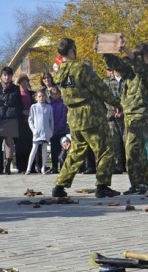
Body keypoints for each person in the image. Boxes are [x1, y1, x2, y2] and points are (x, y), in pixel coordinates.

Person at [52, 38, 121, 199]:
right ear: (70, 51)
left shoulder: (60, 72)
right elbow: (100, 87)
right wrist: (115, 103)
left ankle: (59, 185)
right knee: (104, 148)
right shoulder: (80, 68)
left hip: (74, 117)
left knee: (76, 151)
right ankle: (102, 186)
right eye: (74, 48)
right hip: (90, 114)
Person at [103, 42, 148, 195]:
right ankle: (146, 181)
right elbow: (118, 64)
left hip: (140, 115)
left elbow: (139, 65)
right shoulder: (131, 73)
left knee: (132, 151)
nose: (135, 60)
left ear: (146, 56)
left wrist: (125, 48)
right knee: (138, 151)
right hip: (129, 114)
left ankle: (138, 185)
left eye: (138, 57)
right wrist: (105, 53)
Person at [0, 66, 21, 175]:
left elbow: (14, 101)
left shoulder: (15, 88)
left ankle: (7, 167)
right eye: (5, 75)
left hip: (10, 117)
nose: (7, 77)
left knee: (9, 141)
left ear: (11, 76)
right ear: (1, 76)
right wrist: (2, 102)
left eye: (9, 75)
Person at [104, 67, 126, 174]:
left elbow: (130, 97)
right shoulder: (107, 81)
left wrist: (123, 110)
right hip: (112, 116)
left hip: (126, 115)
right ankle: (118, 166)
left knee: (128, 142)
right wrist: (114, 108)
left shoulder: (127, 80)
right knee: (114, 142)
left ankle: (130, 165)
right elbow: (105, 97)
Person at [27, 89, 53, 174]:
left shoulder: (48, 107)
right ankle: (29, 168)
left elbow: (51, 120)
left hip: (46, 132)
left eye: (43, 96)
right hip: (37, 132)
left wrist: (51, 131)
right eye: (39, 96)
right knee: (34, 149)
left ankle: (43, 168)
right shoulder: (34, 107)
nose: (41, 98)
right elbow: (30, 120)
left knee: (44, 149)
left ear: (45, 97)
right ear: (36, 98)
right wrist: (33, 130)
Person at [14, 74, 35, 173]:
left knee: (30, 144)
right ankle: (21, 167)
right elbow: (14, 107)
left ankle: (31, 166)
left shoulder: (32, 94)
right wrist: (22, 112)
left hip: (31, 122)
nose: (24, 83)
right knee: (20, 145)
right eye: (22, 82)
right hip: (20, 122)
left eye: (26, 81)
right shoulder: (16, 94)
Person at [48, 86, 69, 173]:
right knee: (53, 149)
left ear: (60, 94)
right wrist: (52, 129)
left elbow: (63, 118)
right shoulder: (49, 105)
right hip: (53, 131)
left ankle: (62, 166)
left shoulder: (63, 104)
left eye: (57, 94)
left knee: (62, 149)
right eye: (53, 94)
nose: (55, 95)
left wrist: (58, 128)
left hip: (61, 130)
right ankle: (54, 167)